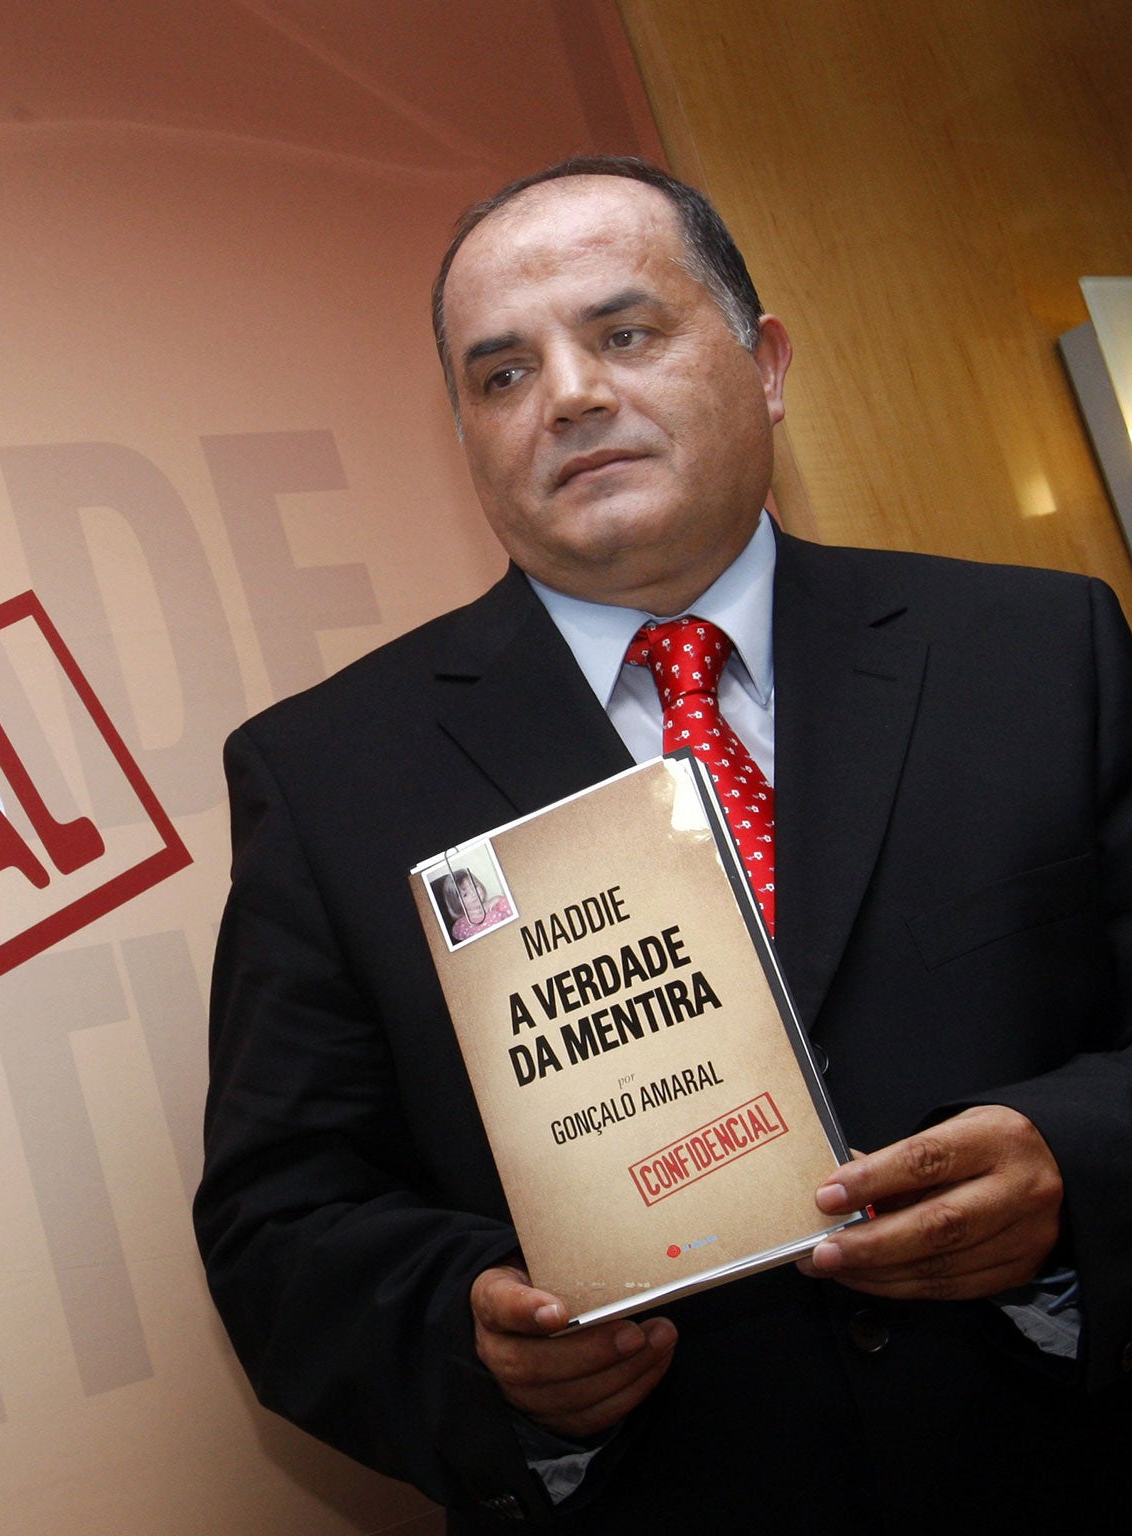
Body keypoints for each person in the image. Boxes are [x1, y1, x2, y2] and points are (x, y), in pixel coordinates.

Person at [195, 154, 1132, 1530]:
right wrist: (480, 1338)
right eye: (502, 375)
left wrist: (1076, 1166)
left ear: (764, 362)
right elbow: (282, 1227)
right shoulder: (329, 775)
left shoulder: (1041, 649)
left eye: (625, 334)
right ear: (467, 436)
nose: (568, 395)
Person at [442, 865, 512, 944]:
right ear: (455, 903)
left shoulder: (497, 905)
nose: (474, 894)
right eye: (465, 894)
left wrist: (499, 898)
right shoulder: (461, 926)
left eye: (475, 887)